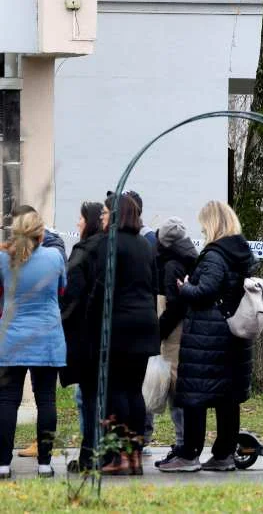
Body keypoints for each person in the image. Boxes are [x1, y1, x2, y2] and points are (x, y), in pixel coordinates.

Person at [157, 202, 255, 473]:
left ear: (213, 224)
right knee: (228, 399)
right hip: (233, 335)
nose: (201, 228)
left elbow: (206, 291)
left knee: (194, 396)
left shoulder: (215, 255)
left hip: (208, 338)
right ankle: (224, 454)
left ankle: (189, 455)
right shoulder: (241, 252)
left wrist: (185, 287)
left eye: (203, 224)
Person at [76, 194, 160, 475]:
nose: (102, 217)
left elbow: (101, 287)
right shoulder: (145, 246)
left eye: (105, 213)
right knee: (135, 391)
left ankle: (119, 455)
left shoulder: (110, 244)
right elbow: (153, 285)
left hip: (118, 327)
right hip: (145, 324)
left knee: (116, 391)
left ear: (116, 215)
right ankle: (134, 454)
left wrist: (89, 320)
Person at [0, 210, 67, 479]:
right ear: (42, 233)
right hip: (47, 337)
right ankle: (44, 464)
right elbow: (63, 289)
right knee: (47, 399)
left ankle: (3, 464)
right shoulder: (54, 257)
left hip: (12, 338)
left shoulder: (4, 259)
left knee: (6, 401)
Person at [56, 202, 104, 461]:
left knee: (88, 396)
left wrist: (62, 319)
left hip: (85, 335)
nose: (77, 223)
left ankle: (89, 452)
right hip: (105, 333)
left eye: (80, 218)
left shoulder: (84, 251)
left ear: (91, 222)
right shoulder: (109, 249)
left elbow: (72, 294)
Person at [152, 217, 198, 467]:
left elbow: (174, 306)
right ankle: (184, 443)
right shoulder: (191, 257)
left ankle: (183, 446)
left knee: (175, 392)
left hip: (173, 337)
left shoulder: (170, 266)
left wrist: (157, 331)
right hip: (187, 333)